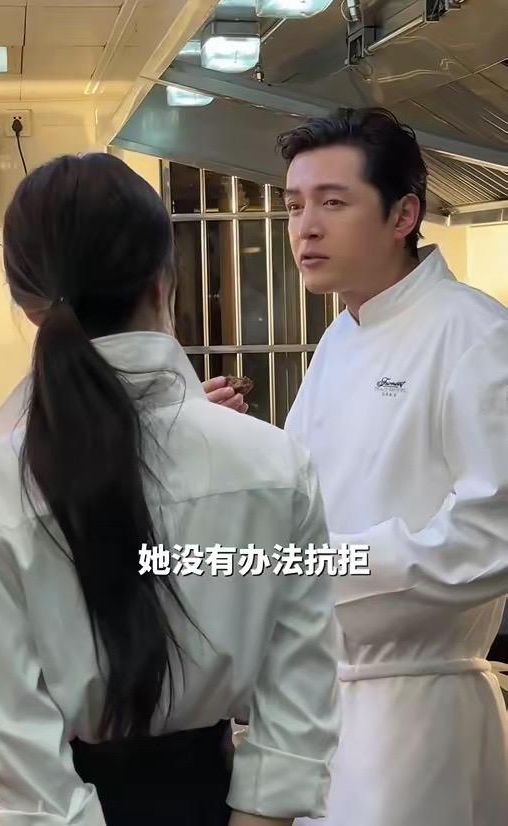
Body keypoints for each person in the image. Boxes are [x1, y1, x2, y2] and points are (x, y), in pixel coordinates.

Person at [0, 153, 339, 826]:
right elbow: (301, 690)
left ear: (27, 304)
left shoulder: (4, 483)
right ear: (164, 281)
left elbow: (15, 742)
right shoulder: (275, 463)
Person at [211, 107, 508, 826]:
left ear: (403, 214)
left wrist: (321, 565)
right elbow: (307, 499)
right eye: (294, 205)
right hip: (322, 704)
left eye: (333, 202)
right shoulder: (340, 340)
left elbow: (490, 536)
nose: (305, 228)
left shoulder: (474, 334)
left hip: (417, 708)